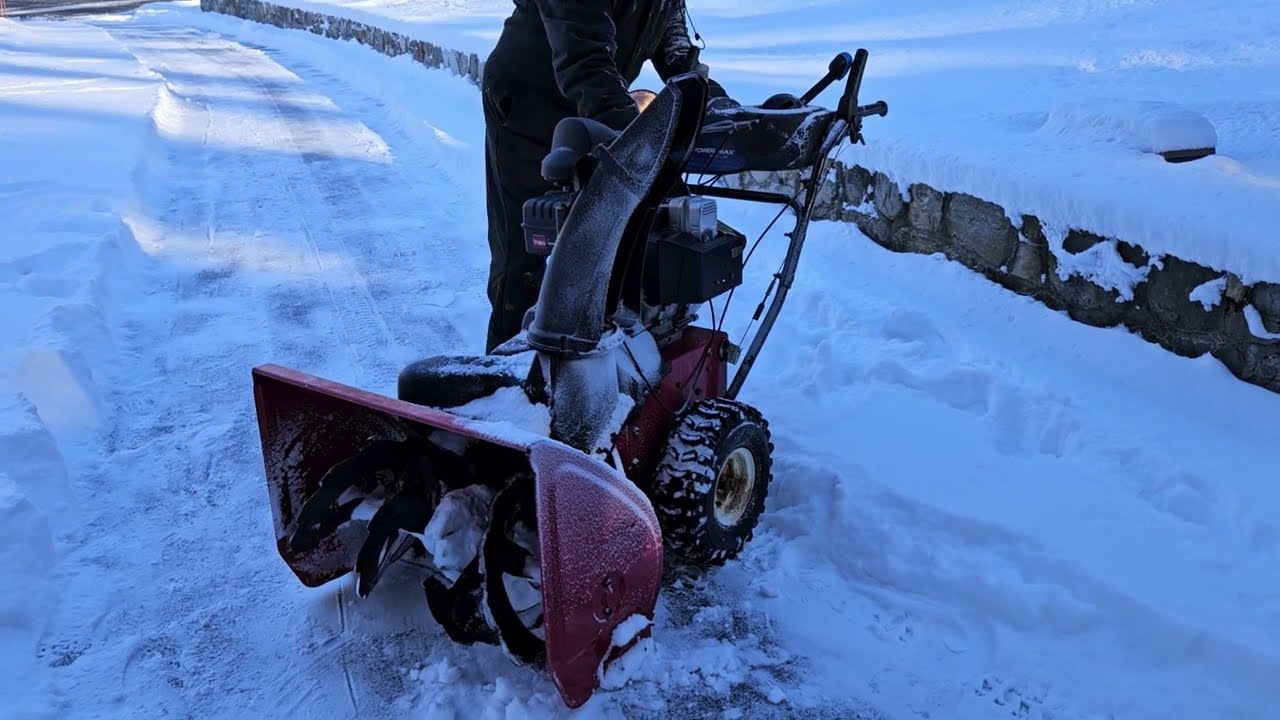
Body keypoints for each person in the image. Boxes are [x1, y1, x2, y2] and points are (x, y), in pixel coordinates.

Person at [480, 0, 727, 353]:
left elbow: (673, 46)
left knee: (609, 247)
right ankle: (503, 381)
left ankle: (600, 371)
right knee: (525, 255)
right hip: (527, 105)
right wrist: (638, 143)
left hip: (593, 101)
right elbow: (583, 58)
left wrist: (716, 106)